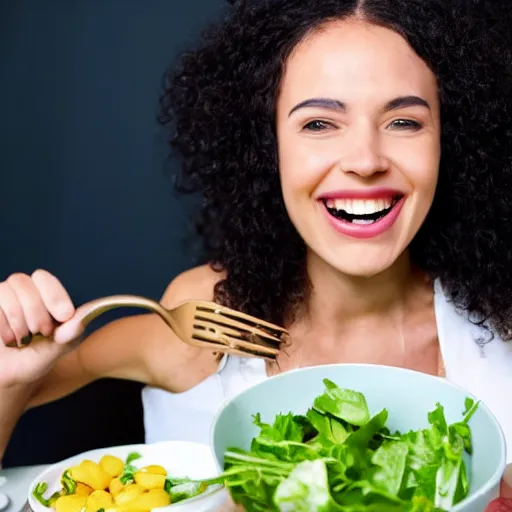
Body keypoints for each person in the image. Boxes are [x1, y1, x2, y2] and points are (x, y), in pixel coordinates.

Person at [1, 0, 512, 502]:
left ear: (454, 140)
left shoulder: (500, 320)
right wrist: (10, 378)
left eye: (404, 122)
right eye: (318, 123)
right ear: (267, 146)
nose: (365, 160)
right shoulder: (203, 318)